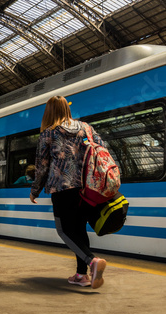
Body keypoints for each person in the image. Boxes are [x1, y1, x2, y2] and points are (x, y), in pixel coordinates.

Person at [30, 96, 107, 289]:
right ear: (67, 109)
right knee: (80, 230)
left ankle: (92, 261)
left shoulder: (49, 133)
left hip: (62, 188)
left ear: (48, 112)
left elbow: (42, 166)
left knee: (64, 230)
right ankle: (82, 276)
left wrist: (35, 191)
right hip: (87, 188)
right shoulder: (86, 128)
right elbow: (102, 149)